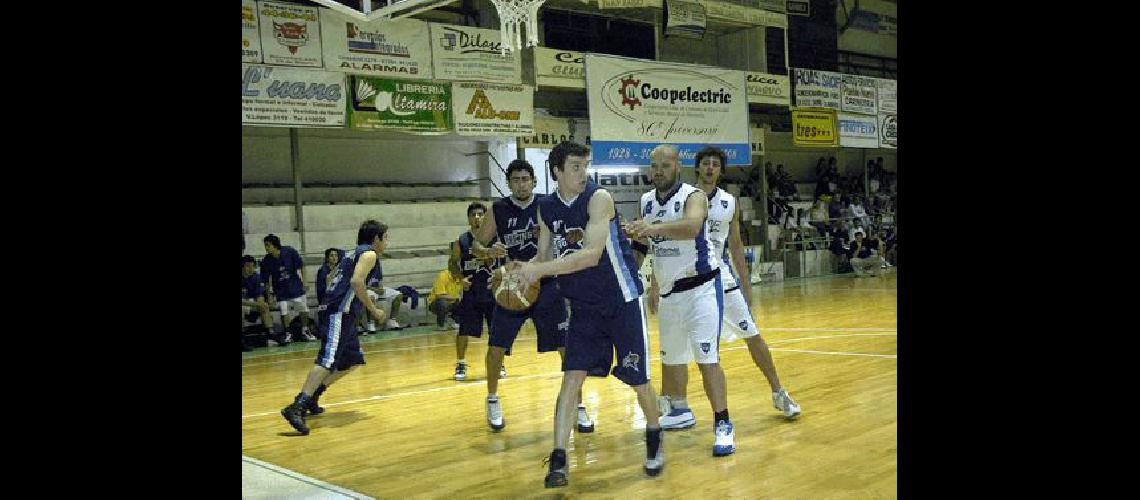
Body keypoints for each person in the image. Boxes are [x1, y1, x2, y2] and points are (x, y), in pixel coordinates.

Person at [512, 141, 663, 487]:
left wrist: (539, 270)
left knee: (638, 381)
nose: (584, 173)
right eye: (576, 167)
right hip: (583, 307)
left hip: (621, 301)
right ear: (557, 173)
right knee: (571, 378)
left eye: (585, 166)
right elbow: (543, 255)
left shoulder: (599, 199)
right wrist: (518, 271)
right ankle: (559, 459)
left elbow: (590, 255)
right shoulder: (546, 208)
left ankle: (654, 437)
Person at [624, 144, 735, 457]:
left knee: (706, 358)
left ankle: (723, 422)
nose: (659, 170)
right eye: (655, 165)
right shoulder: (646, 201)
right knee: (671, 360)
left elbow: (691, 227)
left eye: (665, 165)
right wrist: (628, 268)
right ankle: (680, 410)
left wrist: (650, 228)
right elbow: (645, 245)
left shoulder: (693, 195)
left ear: (678, 166)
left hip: (701, 288)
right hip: (671, 293)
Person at [471, 159, 592, 433]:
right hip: (513, 285)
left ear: (534, 181)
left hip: (546, 283)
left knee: (566, 348)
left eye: (526, 179)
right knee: (496, 348)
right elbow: (477, 244)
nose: (521, 184)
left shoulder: (548, 205)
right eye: (516, 179)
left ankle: (578, 404)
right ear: (509, 183)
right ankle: (492, 398)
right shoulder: (498, 209)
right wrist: (487, 252)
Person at [690, 146, 802, 420]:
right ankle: (678, 403)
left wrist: (747, 282)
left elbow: (736, 246)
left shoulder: (729, 201)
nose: (710, 168)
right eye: (706, 163)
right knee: (693, 349)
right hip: (691, 282)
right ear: (697, 168)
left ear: (720, 171)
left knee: (753, 335)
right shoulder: (685, 198)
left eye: (715, 164)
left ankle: (778, 391)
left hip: (723, 279)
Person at [280, 220, 391, 435]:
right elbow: (357, 283)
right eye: (386, 238)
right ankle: (297, 406)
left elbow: (332, 278)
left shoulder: (351, 253)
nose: (387, 242)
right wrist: (374, 310)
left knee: (352, 360)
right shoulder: (369, 254)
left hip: (342, 312)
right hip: (339, 312)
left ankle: (313, 396)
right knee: (327, 360)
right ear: (376, 238)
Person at [450, 202, 502, 381]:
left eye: (481, 214)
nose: (477, 217)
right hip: (471, 290)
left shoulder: (495, 238)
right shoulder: (461, 240)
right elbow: (452, 263)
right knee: (464, 330)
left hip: (490, 288)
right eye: (473, 215)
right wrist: (460, 279)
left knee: (496, 330)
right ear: (469, 218)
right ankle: (461, 362)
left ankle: (499, 363)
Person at [262, 235, 317, 342]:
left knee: (303, 308)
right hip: (280, 290)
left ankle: (305, 330)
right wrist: (269, 295)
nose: (266, 248)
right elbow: (266, 280)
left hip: (295, 286)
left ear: (275, 245)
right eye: (265, 246)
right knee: (284, 310)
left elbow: (301, 265)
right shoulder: (266, 260)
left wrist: (305, 281)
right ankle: (288, 333)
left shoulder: (289, 251)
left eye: (268, 245)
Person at [243, 255, 285, 348]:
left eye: (253, 266)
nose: (250, 268)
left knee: (264, 306)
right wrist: (256, 304)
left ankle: (271, 333)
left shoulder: (256, 277)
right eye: (247, 266)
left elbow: (260, 296)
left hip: (251, 304)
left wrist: (262, 304)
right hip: (244, 304)